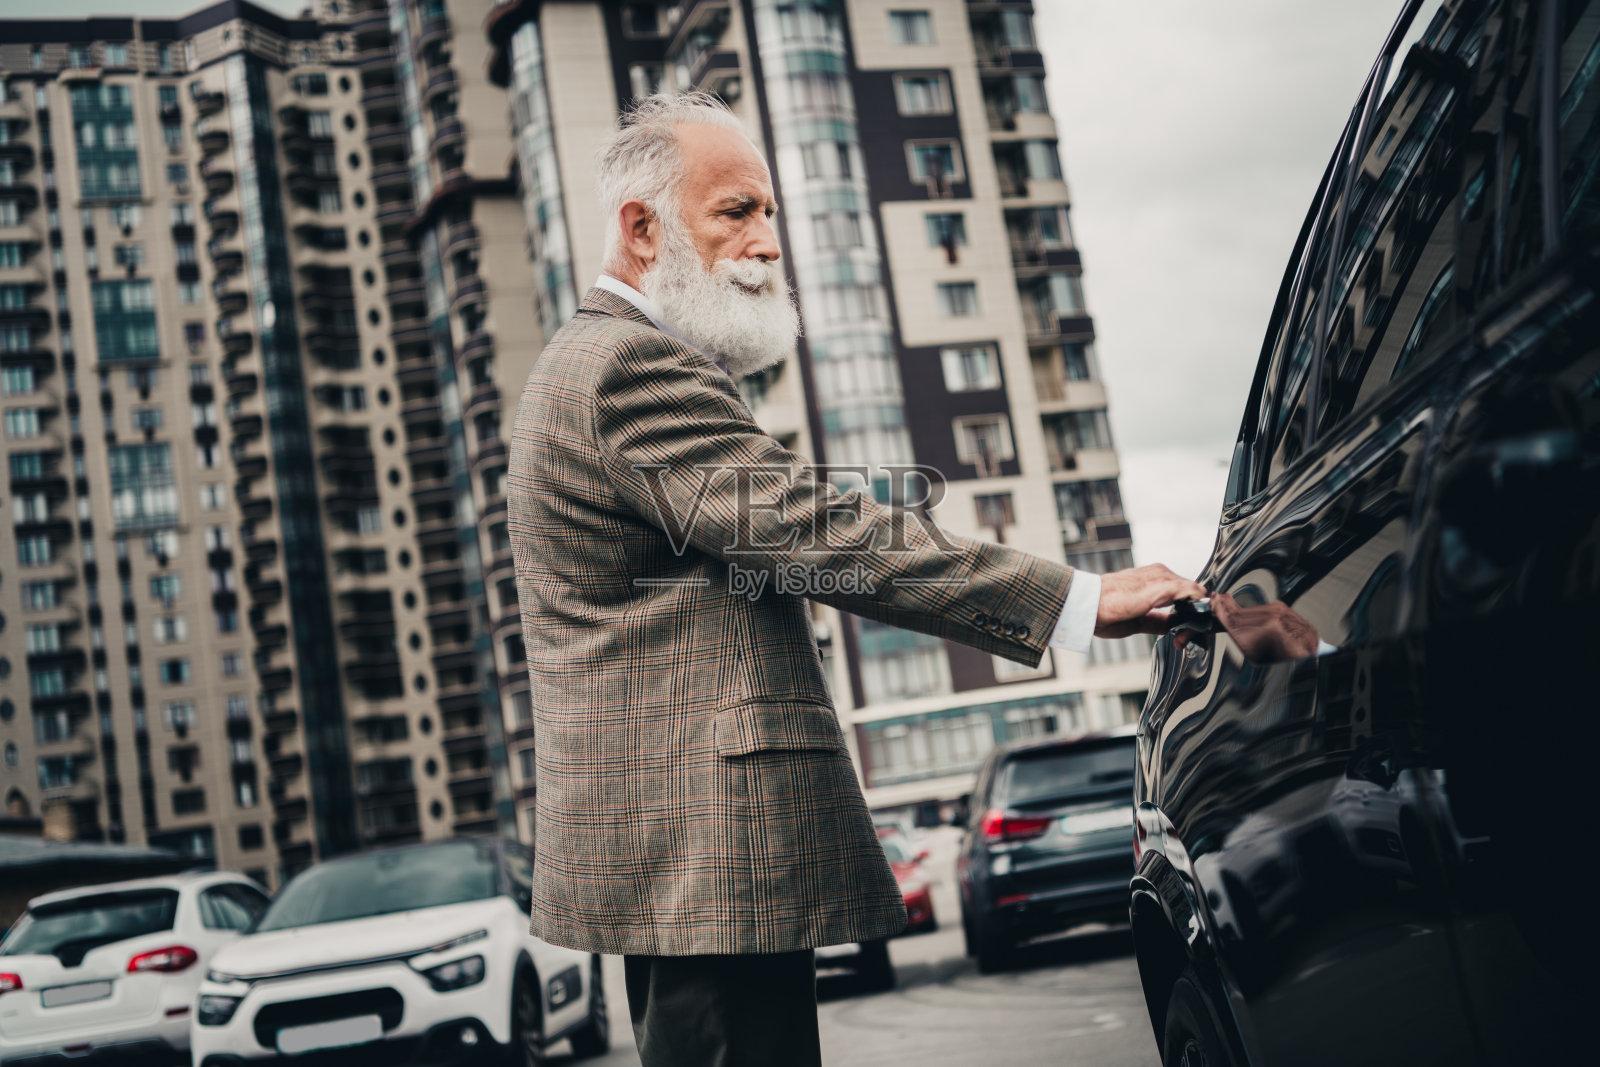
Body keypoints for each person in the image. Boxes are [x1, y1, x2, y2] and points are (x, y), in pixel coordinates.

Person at [506, 91, 1204, 1067]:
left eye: (769, 213)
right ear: (640, 227)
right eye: (735, 210)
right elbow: (815, 529)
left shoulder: (590, 361)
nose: (767, 238)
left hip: (673, 845)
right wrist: (1072, 598)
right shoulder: (630, 365)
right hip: (707, 839)